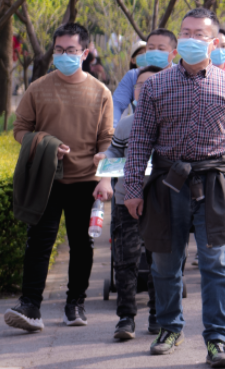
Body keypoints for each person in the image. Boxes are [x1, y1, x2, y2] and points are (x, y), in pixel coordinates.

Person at [123, 8, 225, 369]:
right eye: (186, 32)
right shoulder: (154, 86)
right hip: (168, 183)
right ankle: (169, 328)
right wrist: (132, 188)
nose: (190, 39)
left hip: (214, 181)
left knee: (216, 263)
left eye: (199, 34)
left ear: (214, 43)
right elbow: (139, 142)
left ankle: (218, 339)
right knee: (166, 262)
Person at [5, 22, 114, 332]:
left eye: (71, 50)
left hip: (86, 181)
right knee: (39, 242)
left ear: (85, 53)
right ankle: (30, 306)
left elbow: (108, 139)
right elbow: (20, 130)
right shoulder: (38, 88)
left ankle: (75, 304)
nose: (64, 55)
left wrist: (105, 179)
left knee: (83, 246)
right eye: (59, 50)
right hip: (47, 179)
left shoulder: (100, 92)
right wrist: (48, 145)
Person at [94, 66, 163, 341]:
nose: (144, 90)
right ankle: (126, 317)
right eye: (140, 85)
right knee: (125, 262)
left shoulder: (172, 122)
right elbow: (112, 157)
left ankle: (159, 314)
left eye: (151, 84)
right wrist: (104, 175)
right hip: (125, 201)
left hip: (161, 202)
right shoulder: (125, 124)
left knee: (161, 261)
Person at [112, 29, 178, 127]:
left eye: (161, 49)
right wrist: (113, 129)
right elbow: (116, 105)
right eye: (151, 48)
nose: (155, 52)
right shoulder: (134, 76)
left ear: (174, 53)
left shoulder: (181, 76)